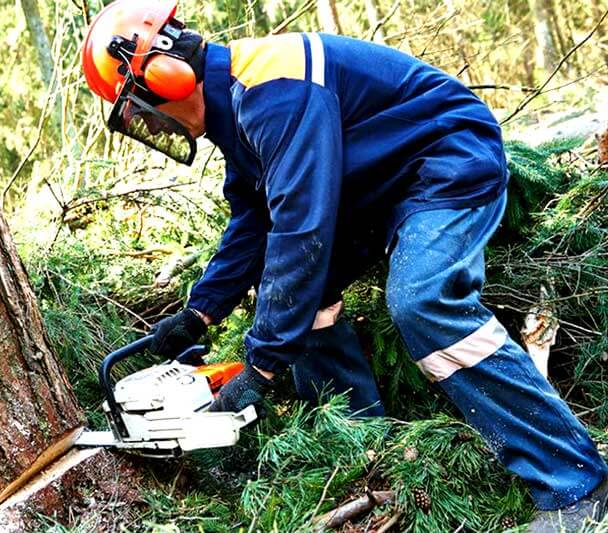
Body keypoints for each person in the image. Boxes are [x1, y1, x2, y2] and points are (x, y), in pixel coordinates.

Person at [81, 1, 608, 529]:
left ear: (166, 76)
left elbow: (301, 230)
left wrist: (260, 366)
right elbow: (254, 221)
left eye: (140, 108)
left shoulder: (273, 91)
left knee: (422, 301)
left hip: (445, 161)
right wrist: (200, 313)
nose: (150, 123)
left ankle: (573, 481)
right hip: (372, 187)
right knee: (301, 303)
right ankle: (364, 450)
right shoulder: (234, 107)